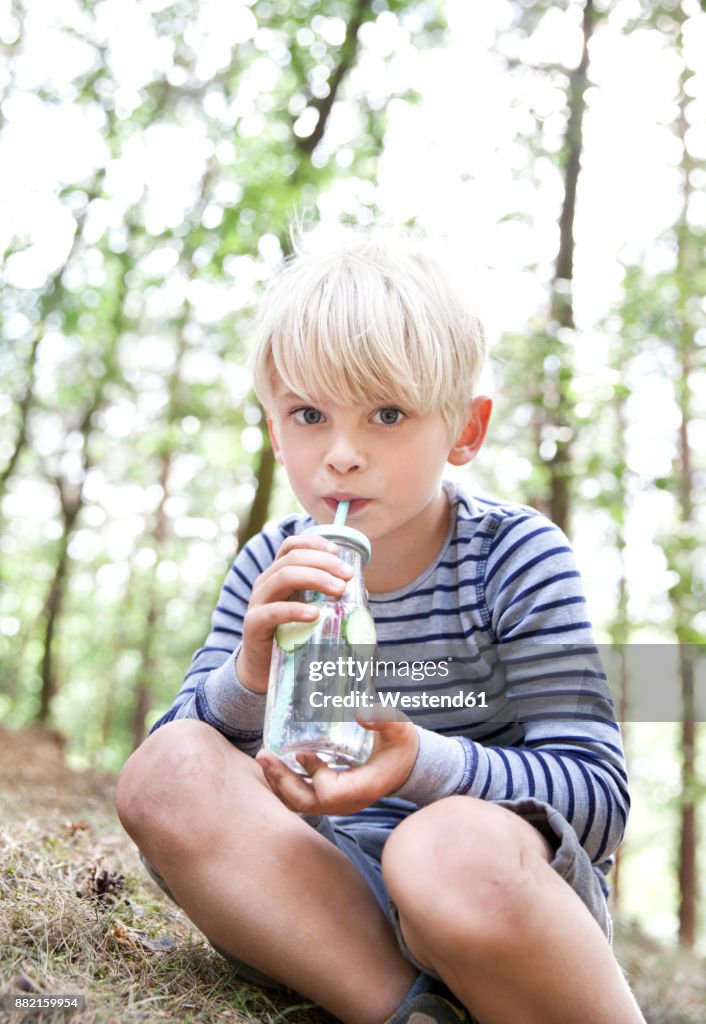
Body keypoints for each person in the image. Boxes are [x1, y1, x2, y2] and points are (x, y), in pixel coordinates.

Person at [116, 228, 646, 1024]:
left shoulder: (515, 556)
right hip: (326, 904)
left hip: (494, 901)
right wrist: (247, 679)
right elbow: (182, 769)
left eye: (387, 413)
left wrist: (419, 765)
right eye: (308, 414)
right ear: (274, 429)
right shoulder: (275, 560)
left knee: (438, 849)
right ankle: (406, 1012)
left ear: (465, 429)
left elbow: (599, 796)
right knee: (167, 768)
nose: (342, 455)